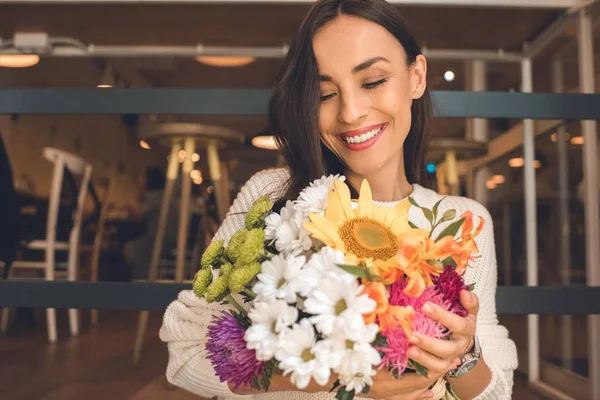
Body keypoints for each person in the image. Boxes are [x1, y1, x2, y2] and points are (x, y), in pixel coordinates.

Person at [159, 0, 518, 398]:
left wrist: (464, 352)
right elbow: (187, 351)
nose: (350, 112)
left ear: (416, 77)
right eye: (325, 94)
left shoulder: (464, 223)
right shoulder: (277, 198)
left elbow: (498, 391)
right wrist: (332, 374)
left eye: (372, 81)